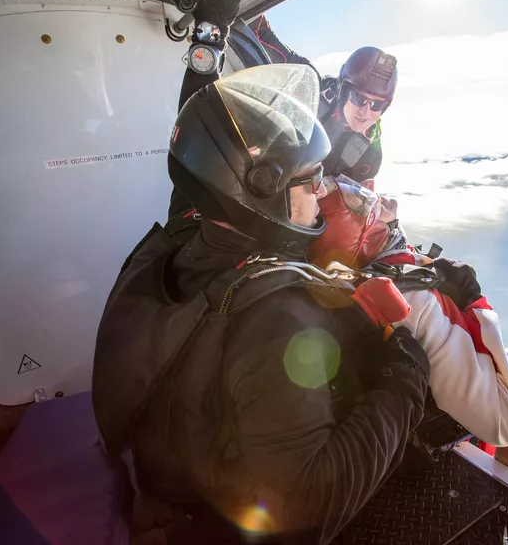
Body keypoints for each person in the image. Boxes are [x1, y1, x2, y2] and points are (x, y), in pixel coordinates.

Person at [92, 64, 433, 545]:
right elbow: (308, 509)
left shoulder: (168, 245)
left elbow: (207, 153)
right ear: (263, 191)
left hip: (158, 474)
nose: (321, 191)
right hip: (202, 521)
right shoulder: (277, 318)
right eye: (310, 179)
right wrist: (406, 379)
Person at [307, 175, 508, 475]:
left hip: (373, 412)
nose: (381, 199)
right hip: (409, 435)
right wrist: (474, 303)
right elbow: (497, 422)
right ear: (367, 234)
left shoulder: (331, 279)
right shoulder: (415, 298)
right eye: (363, 204)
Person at [252, 16, 396, 181]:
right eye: (358, 97)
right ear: (343, 90)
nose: (366, 111)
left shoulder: (369, 157)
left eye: (377, 104)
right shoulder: (309, 85)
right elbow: (260, 32)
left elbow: (346, 201)